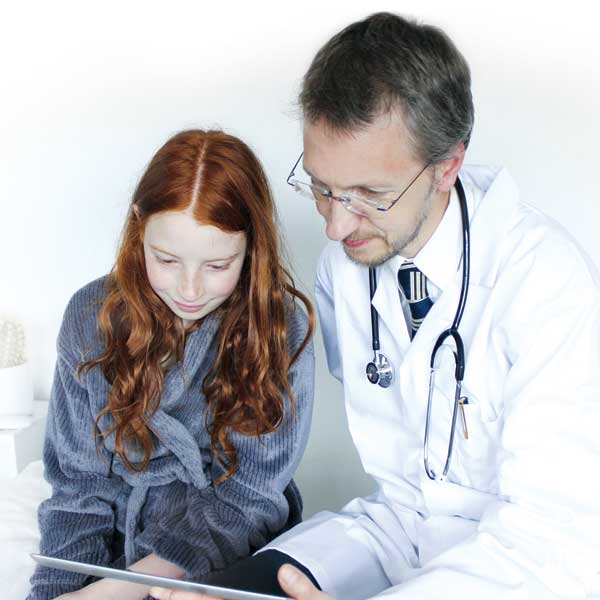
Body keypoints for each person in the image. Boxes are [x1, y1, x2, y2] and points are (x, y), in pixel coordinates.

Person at [150, 12, 600, 600]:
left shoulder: (545, 280)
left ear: (447, 166)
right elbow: (406, 495)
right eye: (322, 187)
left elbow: (554, 543)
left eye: (371, 196)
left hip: (519, 570)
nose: (336, 226)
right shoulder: (348, 265)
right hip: (396, 536)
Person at [27, 129, 316, 600]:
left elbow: (250, 498)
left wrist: (115, 590)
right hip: (120, 548)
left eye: (218, 266)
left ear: (251, 249)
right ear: (139, 227)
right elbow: (77, 491)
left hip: (230, 553)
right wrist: (60, 591)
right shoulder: (90, 316)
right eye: (165, 259)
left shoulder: (280, 328)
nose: (189, 290)